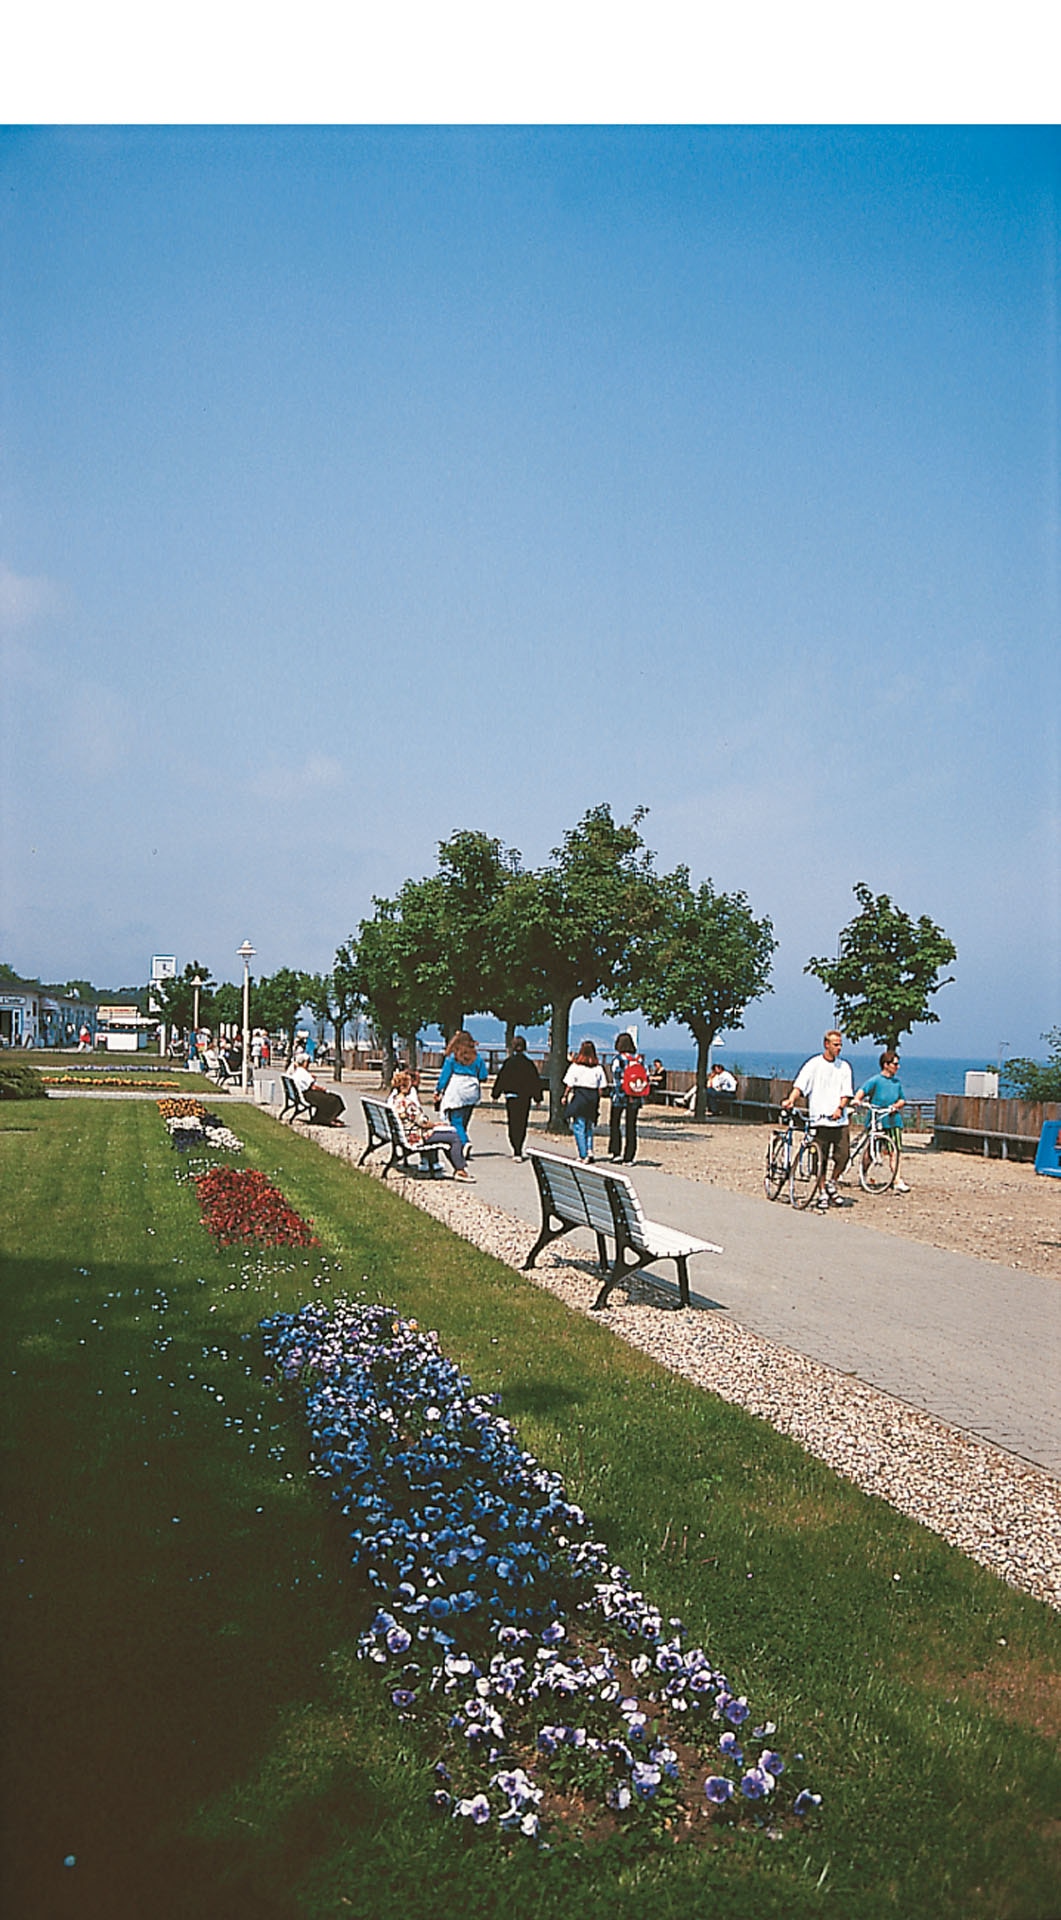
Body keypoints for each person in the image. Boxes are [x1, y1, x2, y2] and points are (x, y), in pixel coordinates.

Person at [781, 1030, 854, 1213]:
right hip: (819, 1120)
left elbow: (846, 1092)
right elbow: (800, 1085)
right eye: (835, 1044)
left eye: (840, 1045)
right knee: (819, 1158)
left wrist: (840, 1108)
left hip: (839, 1121)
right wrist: (791, 1099)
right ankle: (821, 1191)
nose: (838, 1048)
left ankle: (832, 1182)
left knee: (843, 1155)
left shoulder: (844, 1067)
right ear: (826, 1044)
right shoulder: (814, 1065)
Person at [388, 1068, 473, 1179]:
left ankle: (448, 1166)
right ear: (403, 1087)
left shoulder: (394, 1100)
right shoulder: (407, 1103)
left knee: (448, 1133)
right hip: (416, 1136)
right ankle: (460, 1170)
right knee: (454, 1137)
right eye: (409, 1085)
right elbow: (422, 1122)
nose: (411, 1087)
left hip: (406, 1134)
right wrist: (436, 1125)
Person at [854, 1050, 911, 1192]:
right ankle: (863, 1174)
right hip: (877, 1120)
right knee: (871, 1151)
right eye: (895, 1064)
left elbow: (902, 1099)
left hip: (893, 1121)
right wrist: (857, 1100)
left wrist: (895, 1106)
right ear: (886, 1065)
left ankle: (897, 1179)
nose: (897, 1067)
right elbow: (862, 1091)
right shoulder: (875, 1080)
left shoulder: (897, 1083)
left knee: (895, 1151)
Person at [435, 1031, 488, 1156]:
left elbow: (445, 1076)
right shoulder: (477, 1057)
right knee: (465, 1118)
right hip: (472, 1089)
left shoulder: (453, 1057)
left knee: (456, 1120)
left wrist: (438, 1090)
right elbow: (483, 1076)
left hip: (457, 1088)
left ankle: (464, 1143)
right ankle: (461, 1143)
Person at [492, 1036, 543, 1159]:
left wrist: (495, 1094)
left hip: (511, 1096)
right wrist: (538, 1098)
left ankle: (515, 1148)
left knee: (513, 1122)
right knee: (522, 1122)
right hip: (525, 1097)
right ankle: (519, 1147)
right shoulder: (529, 1064)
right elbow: (535, 1081)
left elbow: (501, 1079)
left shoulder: (509, 1063)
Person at [607, 1032, 650, 1164]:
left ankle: (616, 1152)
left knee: (615, 1123)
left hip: (619, 1096)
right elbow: (646, 1075)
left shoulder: (618, 1059)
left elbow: (616, 1077)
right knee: (631, 1126)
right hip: (635, 1095)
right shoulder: (638, 1059)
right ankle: (629, 1156)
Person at [562, 1039, 608, 1162]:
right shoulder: (598, 1068)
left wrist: (565, 1096)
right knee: (589, 1125)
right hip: (593, 1097)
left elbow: (569, 1084)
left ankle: (583, 1154)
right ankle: (589, 1150)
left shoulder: (575, 1067)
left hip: (580, 1095)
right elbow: (602, 1086)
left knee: (579, 1126)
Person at [291, 1053, 345, 1127]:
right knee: (334, 1099)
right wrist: (322, 1089)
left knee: (327, 1098)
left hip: (302, 1094)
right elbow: (313, 1086)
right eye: (308, 1062)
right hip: (307, 1095)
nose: (308, 1064)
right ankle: (327, 1118)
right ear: (304, 1063)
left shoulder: (298, 1071)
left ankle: (327, 1117)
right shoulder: (303, 1072)